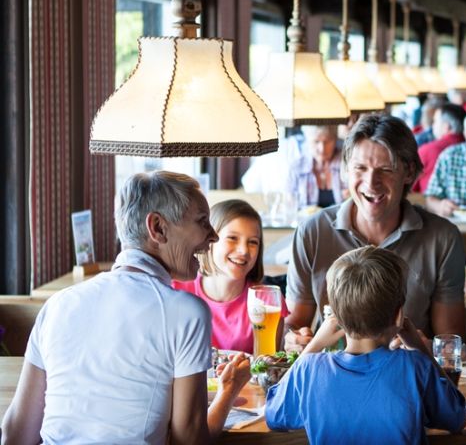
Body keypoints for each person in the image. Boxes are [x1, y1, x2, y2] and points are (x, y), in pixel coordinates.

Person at [2, 171, 252, 443]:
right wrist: (228, 393)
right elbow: (190, 439)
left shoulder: (57, 304)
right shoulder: (187, 312)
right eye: (203, 222)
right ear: (157, 227)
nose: (213, 236)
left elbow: (16, 433)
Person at [284, 113, 466, 353]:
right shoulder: (312, 232)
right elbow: (296, 324)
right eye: (360, 168)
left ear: (409, 172)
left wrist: (425, 346)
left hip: (406, 377)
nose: (371, 182)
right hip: (331, 375)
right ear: (346, 170)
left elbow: (450, 344)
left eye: (385, 169)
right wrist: (292, 339)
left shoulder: (443, 238)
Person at [266, 246, 466, 444]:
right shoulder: (416, 367)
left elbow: (273, 416)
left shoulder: (308, 369)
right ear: (399, 316)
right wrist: (421, 350)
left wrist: (314, 345)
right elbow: (457, 419)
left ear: (335, 317)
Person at [173, 199, 288, 353]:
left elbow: (267, 365)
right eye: (232, 238)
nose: (244, 251)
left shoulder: (267, 300)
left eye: (253, 242)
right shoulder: (176, 290)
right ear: (209, 240)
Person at [411, 103, 466, 193]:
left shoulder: (427, 150)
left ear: (446, 126)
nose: (433, 126)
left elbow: (410, 188)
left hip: (428, 204)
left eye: (435, 121)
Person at [286, 125, 345, 208]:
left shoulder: (346, 164)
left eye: (327, 141)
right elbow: (290, 206)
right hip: (306, 220)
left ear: (335, 140)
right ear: (307, 141)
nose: (322, 148)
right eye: (316, 141)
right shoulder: (296, 168)